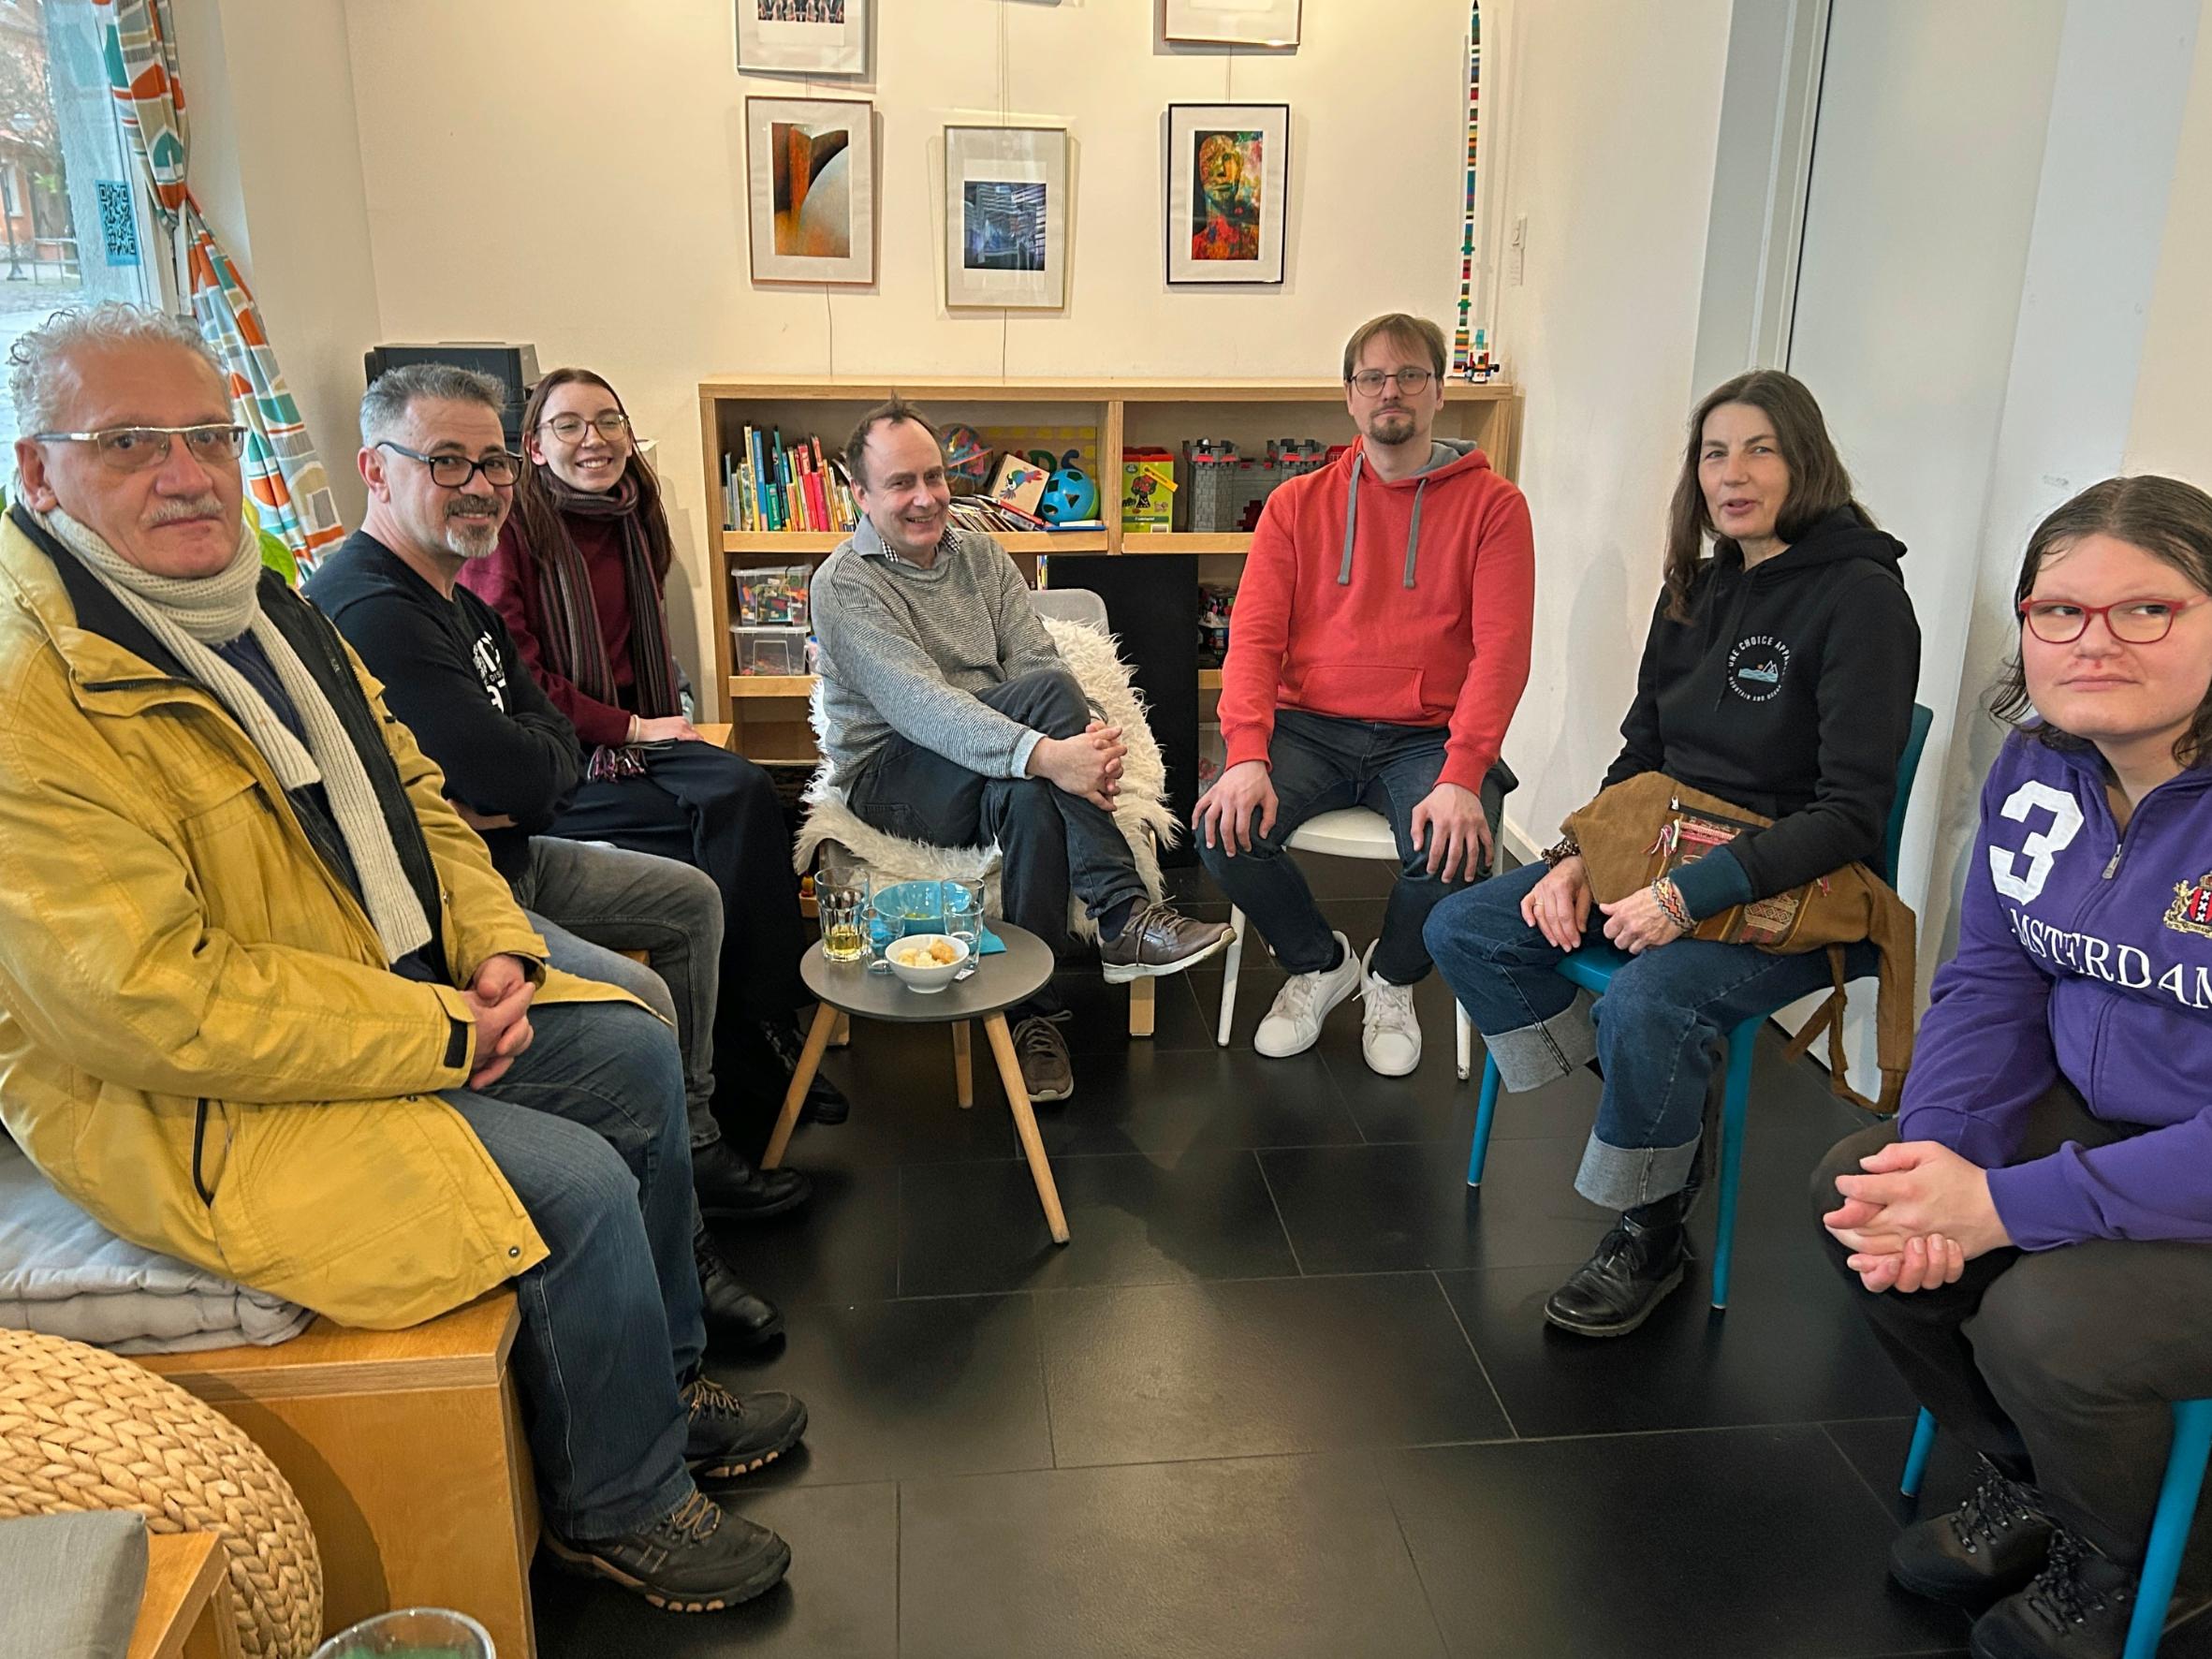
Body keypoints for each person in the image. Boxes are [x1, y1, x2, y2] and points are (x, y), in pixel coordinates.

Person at [0, 303, 804, 1610]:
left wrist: (487, 948)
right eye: (130, 440)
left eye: (206, 433)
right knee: (578, 1181)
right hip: (194, 1105)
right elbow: (142, 1006)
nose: (188, 471)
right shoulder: (33, 689)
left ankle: (659, 1384)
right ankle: (623, 1505)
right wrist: (435, 1031)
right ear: (39, 470)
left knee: (630, 1044)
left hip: (383, 998)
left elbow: (416, 791)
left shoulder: (254, 599)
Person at [309, 363, 808, 1354]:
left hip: (519, 843)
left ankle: (703, 1132)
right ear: (374, 468)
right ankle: (692, 1236)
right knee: (644, 999)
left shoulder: (452, 586)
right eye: (446, 460)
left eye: (488, 460)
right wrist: (539, 762)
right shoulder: (374, 605)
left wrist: (532, 765)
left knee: (692, 899)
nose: (479, 482)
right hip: (467, 893)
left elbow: (529, 742)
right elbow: (526, 752)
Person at [1427, 368, 1919, 1337]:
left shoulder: (1861, 599)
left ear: (1805, 459)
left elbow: (1848, 814)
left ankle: (1647, 1224)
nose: (1730, 474)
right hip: (1657, 843)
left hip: (1791, 882)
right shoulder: (1693, 584)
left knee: (1650, 999)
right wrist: (1577, 855)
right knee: (1468, 924)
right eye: (1711, 453)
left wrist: (1683, 898)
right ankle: (1661, 1116)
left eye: (1757, 449)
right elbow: (1640, 754)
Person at [1813, 476, 2212, 1659]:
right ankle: (2040, 1481)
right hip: (2110, 1122)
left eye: (2148, 609)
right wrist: (1937, 1152)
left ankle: (2156, 1562)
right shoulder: (2036, 766)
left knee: (2051, 1325)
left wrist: (2001, 1205)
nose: (2094, 640)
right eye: (2059, 610)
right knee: (1864, 1190)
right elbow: (1991, 976)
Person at [458, 367, 847, 1138]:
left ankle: (754, 1040)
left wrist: (655, 723)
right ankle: (755, 1044)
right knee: (731, 811)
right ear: (532, 446)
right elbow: (520, 682)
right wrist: (632, 731)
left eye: (608, 421)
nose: (593, 440)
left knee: (746, 802)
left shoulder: (633, 517)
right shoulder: (508, 536)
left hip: (632, 743)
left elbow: (646, 656)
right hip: (560, 763)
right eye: (568, 425)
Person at [809, 398, 1233, 1103]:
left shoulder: (980, 556)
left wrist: (1085, 741)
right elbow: (920, 705)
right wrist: (1048, 750)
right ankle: (1122, 913)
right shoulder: (844, 584)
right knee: (1040, 749)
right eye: (900, 484)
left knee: (1033, 787)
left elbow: (1038, 665)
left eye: (934, 477)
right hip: (893, 776)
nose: (924, 499)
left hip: (989, 765)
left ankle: (1028, 1017)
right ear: (860, 494)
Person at [1194, 313, 1534, 1076]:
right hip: (1308, 725)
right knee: (1220, 829)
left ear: (1438, 392)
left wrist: (1463, 771)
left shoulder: (1494, 508)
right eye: (1373, 377)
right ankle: (1320, 964)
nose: (1391, 391)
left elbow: (1502, 654)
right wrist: (1245, 753)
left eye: (1410, 375)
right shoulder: (1294, 506)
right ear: (1349, 397)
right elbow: (1251, 640)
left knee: (1457, 848)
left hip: (1426, 734)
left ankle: (1391, 979)